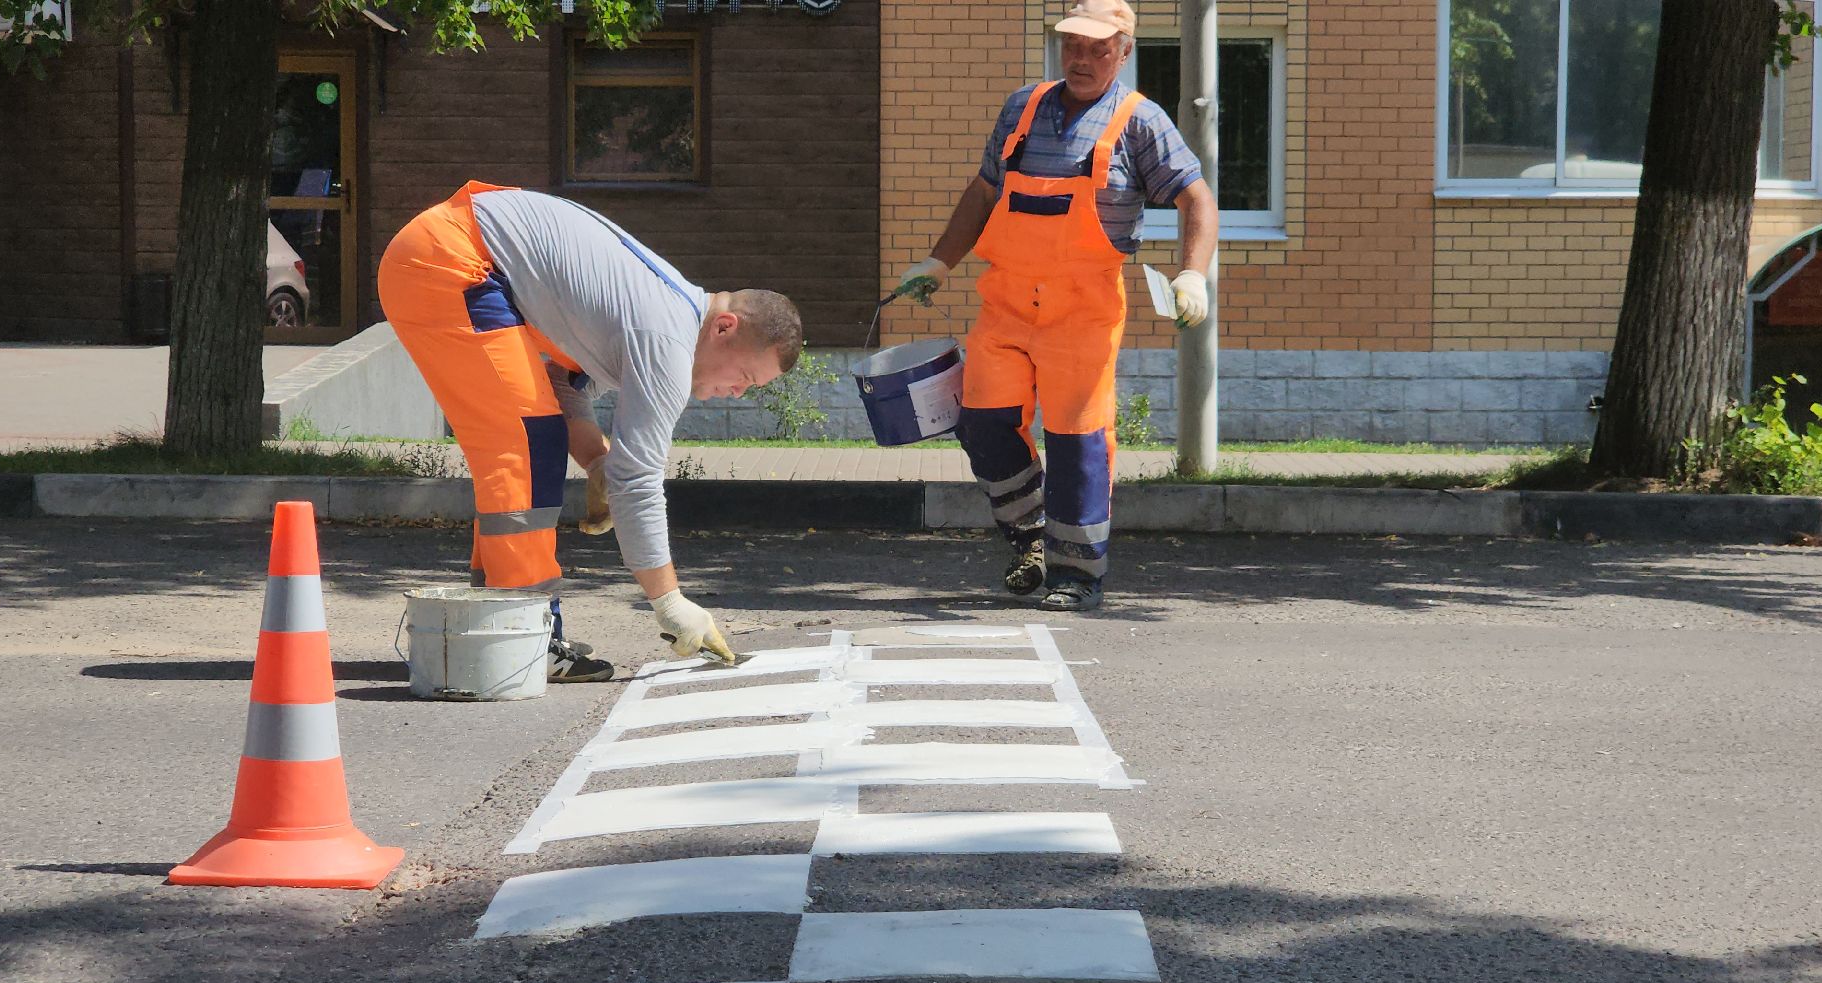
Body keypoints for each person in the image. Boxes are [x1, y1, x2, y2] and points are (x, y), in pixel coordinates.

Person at [378, 181, 802, 680]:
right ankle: (526, 641)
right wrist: (668, 602)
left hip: (452, 250)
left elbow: (567, 383)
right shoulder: (665, 339)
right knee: (527, 446)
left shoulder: (666, 312)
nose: (736, 393)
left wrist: (598, 463)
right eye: (745, 378)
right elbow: (638, 483)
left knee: (530, 441)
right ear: (725, 327)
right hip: (452, 259)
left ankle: (503, 627)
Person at [895, 0, 1218, 612]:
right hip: (1007, 303)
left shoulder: (1139, 120)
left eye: (1099, 47)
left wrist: (1193, 276)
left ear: (1123, 51)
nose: (1082, 57)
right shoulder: (1023, 106)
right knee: (984, 423)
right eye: (1073, 43)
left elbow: (1197, 200)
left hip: (1083, 311)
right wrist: (938, 262)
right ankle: (1029, 537)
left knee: (1077, 442)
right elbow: (985, 188)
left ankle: (1077, 575)